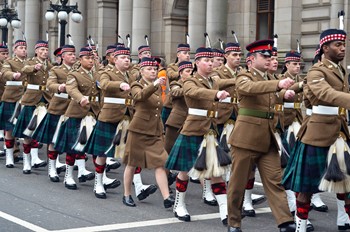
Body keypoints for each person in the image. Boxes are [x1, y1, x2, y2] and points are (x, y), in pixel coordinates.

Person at [283, 28, 350, 231]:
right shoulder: (316, 71)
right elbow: (326, 93)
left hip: (339, 132)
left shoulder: (341, 70)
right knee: (307, 187)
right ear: (325, 47)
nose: (343, 48)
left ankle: (343, 219)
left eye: (344, 44)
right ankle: (301, 226)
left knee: (345, 183)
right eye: (337, 45)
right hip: (317, 134)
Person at [227, 39, 296, 232]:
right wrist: (278, 85)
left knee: (275, 181)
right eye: (264, 56)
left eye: (270, 56)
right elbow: (247, 89)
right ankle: (234, 222)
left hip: (268, 138)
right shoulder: (243, 76)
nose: (269, 59)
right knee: (238, 184)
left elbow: (269, 98)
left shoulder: (268, 79)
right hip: (246, 139)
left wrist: (284, 95)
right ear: (251, 60)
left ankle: (284, 222)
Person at [166, 47, 235, 225]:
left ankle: (225, 211)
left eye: (212, 61)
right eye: (206, 60)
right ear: (197, 63)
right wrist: (216, 94)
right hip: (193, 129)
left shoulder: (215, 80)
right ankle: (179, 204)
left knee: (216, 171)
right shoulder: (190, 81)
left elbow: (230, 82)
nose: (210, 63)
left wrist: (241, 80)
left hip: (210, 130)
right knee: (185, 170)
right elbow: (194, 92)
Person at [122, 57, 174, 209]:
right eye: (149, 69)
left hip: (154, 130)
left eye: (155, 69)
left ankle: (166, 197)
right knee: (132, 163)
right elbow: (139, 96)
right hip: (138, 130)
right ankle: (126, 194)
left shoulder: (156, 86)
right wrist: (155, 84)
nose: (153, 71)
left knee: (161, 162)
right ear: (141, 71)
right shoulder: (136, 84)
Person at [86, 46, 135, 199]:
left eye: (128, 58)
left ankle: (137, 185)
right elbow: (104, 84)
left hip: (128, 118)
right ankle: (98, 182)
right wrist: (119, 85)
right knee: (103, 152)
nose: (126, 60)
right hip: (109, 116)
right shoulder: (106, 73)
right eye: (122, 58)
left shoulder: (132, 75)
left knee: (132, 153)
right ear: (115, 59)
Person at [54, 47, 100, 190]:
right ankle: (68, 176)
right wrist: (80, 99)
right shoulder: (74, 74)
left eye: (92, 58)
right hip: (77, 112)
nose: (91, 61)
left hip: (94, 112)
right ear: (80, 60)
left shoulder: (97, 74)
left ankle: (99, 181)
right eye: (87, 58)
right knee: (73, 146)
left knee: (96, 149)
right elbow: (72, 89)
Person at [31, 45, 76, 182]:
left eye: (74, 54)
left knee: (71, 142)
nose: (73, 56)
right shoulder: (55, 69)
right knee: (52, 140)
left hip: (74, 109)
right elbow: (50, 85)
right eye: (70, 54)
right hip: (58, 108)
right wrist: (60, 87)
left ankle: (69, 174)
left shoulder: (79, 71)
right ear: (63, 57)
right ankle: (52, 168)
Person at [12, 40, 53, 174]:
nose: (44, 52)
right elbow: (24, 69)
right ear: (36, 51)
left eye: (46, 50)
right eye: (41, 50)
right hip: (31, 99)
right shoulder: (30, 62)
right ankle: (26, 160)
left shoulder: (50, 65)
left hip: (45, 99)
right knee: (28, 132)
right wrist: (34, 68)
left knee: (40, 131)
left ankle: (38, 159)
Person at [0, 40, 27, 168]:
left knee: (28, 129)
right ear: (15, 50)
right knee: (9, 128)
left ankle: (28, 157)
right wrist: (13, 75)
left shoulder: (30, 63)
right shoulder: (9, 62)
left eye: (25, 47)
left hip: (27, 99)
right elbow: (5, 73)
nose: (24, 50)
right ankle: (10, 156)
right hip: (11, 98)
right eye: (21, 48)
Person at [0, 44, 9, 156]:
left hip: (4, 97)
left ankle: (8, 147)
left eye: (7, 54)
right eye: (3, 54)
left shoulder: (7, 65)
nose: (6, 56)